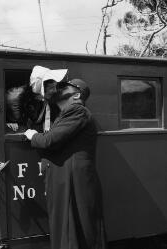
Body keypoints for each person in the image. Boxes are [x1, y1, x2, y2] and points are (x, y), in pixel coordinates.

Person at [24, 79, 107, 249]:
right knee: (69, 229)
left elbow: (49, 141)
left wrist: (32, 135)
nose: (58, 89)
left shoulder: (77, 111)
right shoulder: (66, 114)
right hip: (68, 180)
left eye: (64, 87)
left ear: (76, 95)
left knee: (74, 230)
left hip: (74, 182)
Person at [6, 65, 67, 132]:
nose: (55, 91)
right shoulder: (14, 98)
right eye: (51, 88)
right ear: (42, 87)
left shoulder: (45, 100)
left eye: (55, 87)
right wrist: (7, 122)